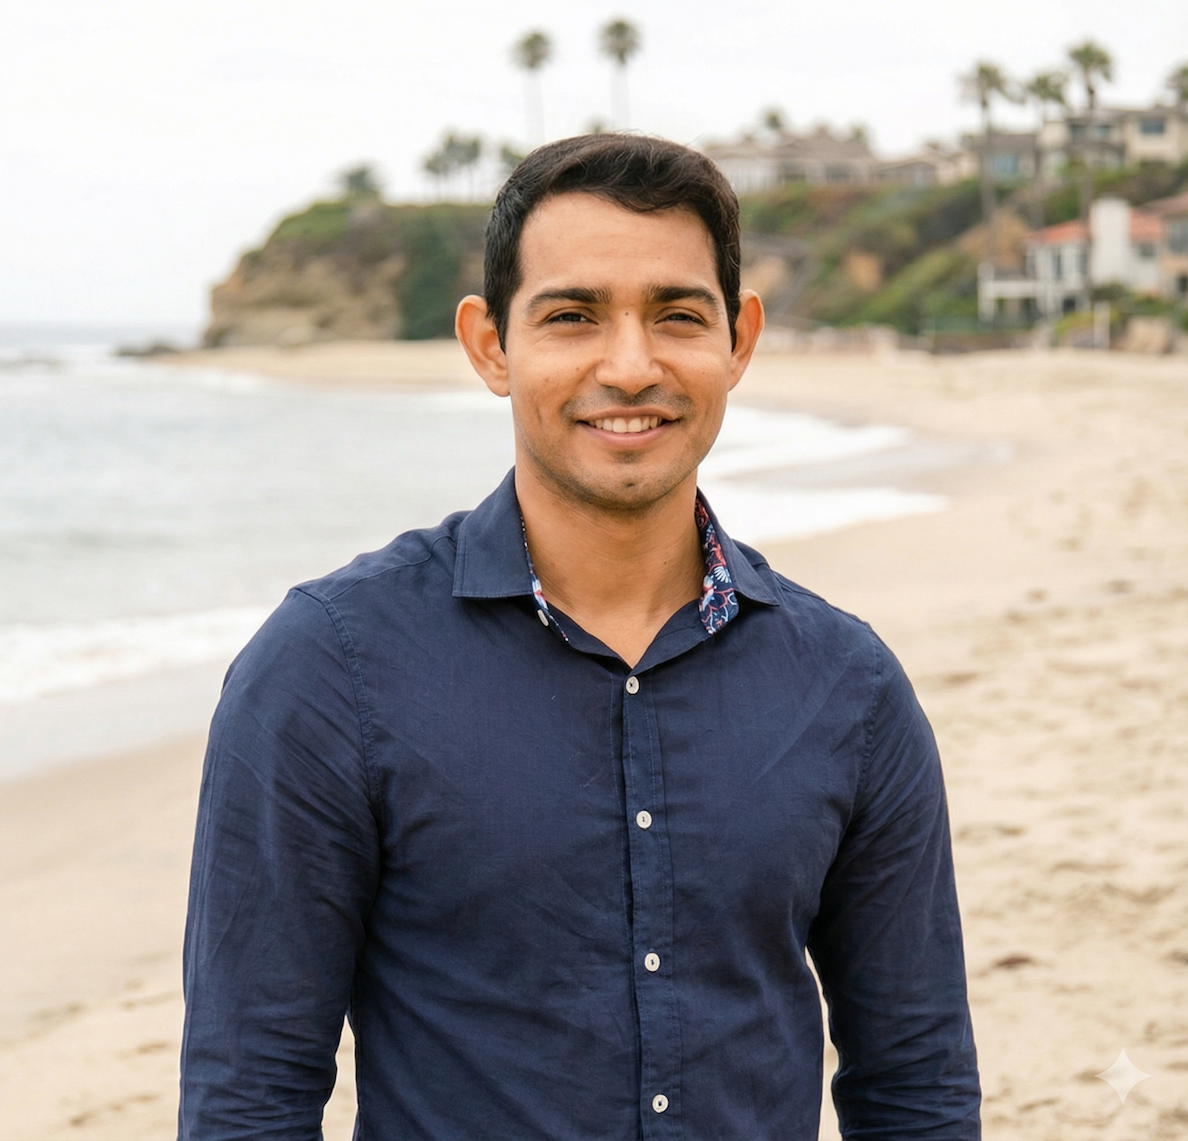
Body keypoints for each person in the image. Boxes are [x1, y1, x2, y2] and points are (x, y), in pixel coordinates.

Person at [179, 133, 980, 1139]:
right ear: (490, 346)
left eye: (677, 316)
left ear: (739, 340)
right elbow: (249, 1093)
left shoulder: (848, 687)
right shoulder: (330, 669)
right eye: (573, 316)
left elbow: (916, 1080)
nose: (631, 365)